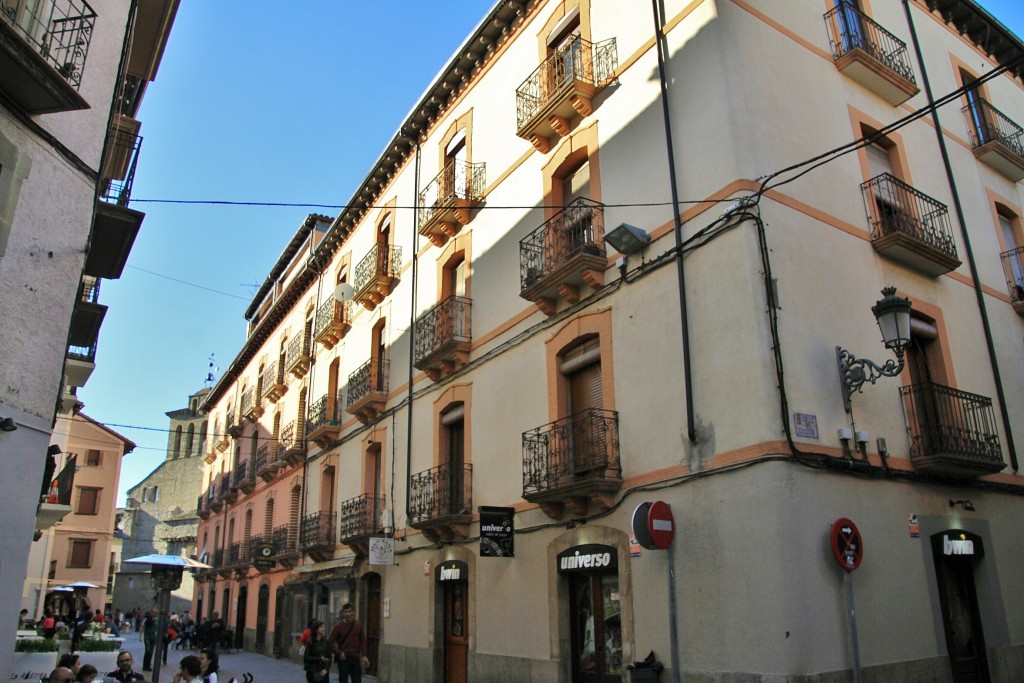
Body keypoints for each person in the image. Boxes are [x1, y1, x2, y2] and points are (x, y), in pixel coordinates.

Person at [328, 603, 369, 683]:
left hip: (355, 657)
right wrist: (338, 652)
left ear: (353, 612)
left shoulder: (358, 624)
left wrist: (364, 655)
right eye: (345, 612)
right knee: (343, 680)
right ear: (342, 613)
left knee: (357, 680)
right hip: (344, 658)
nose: (347, 614)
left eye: (349, 611)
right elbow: (330, 641)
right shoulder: (338, 626)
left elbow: (362, 640)